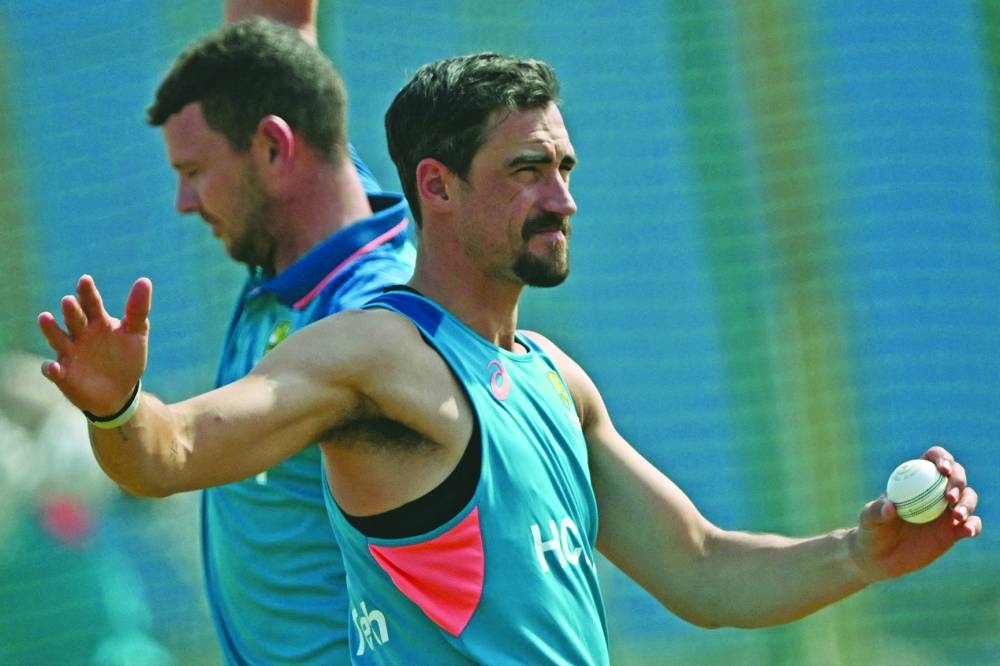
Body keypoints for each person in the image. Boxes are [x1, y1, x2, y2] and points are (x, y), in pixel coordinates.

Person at [38, 52, 980, 664]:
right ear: (436, 190)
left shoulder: (553, 378)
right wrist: (119, 408)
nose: (562, 199)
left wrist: (862, 552)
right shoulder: (375, 353)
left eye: (564, 168)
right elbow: (173, 454)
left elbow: (702, 569)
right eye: (529, 171)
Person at [143, 15, 413, 665]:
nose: (183, 200)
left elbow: (161, 455)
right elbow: (279, 29)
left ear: (271, 150)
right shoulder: (298, 220)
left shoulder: (376, 322)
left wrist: (115, 411)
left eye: (195, 170)